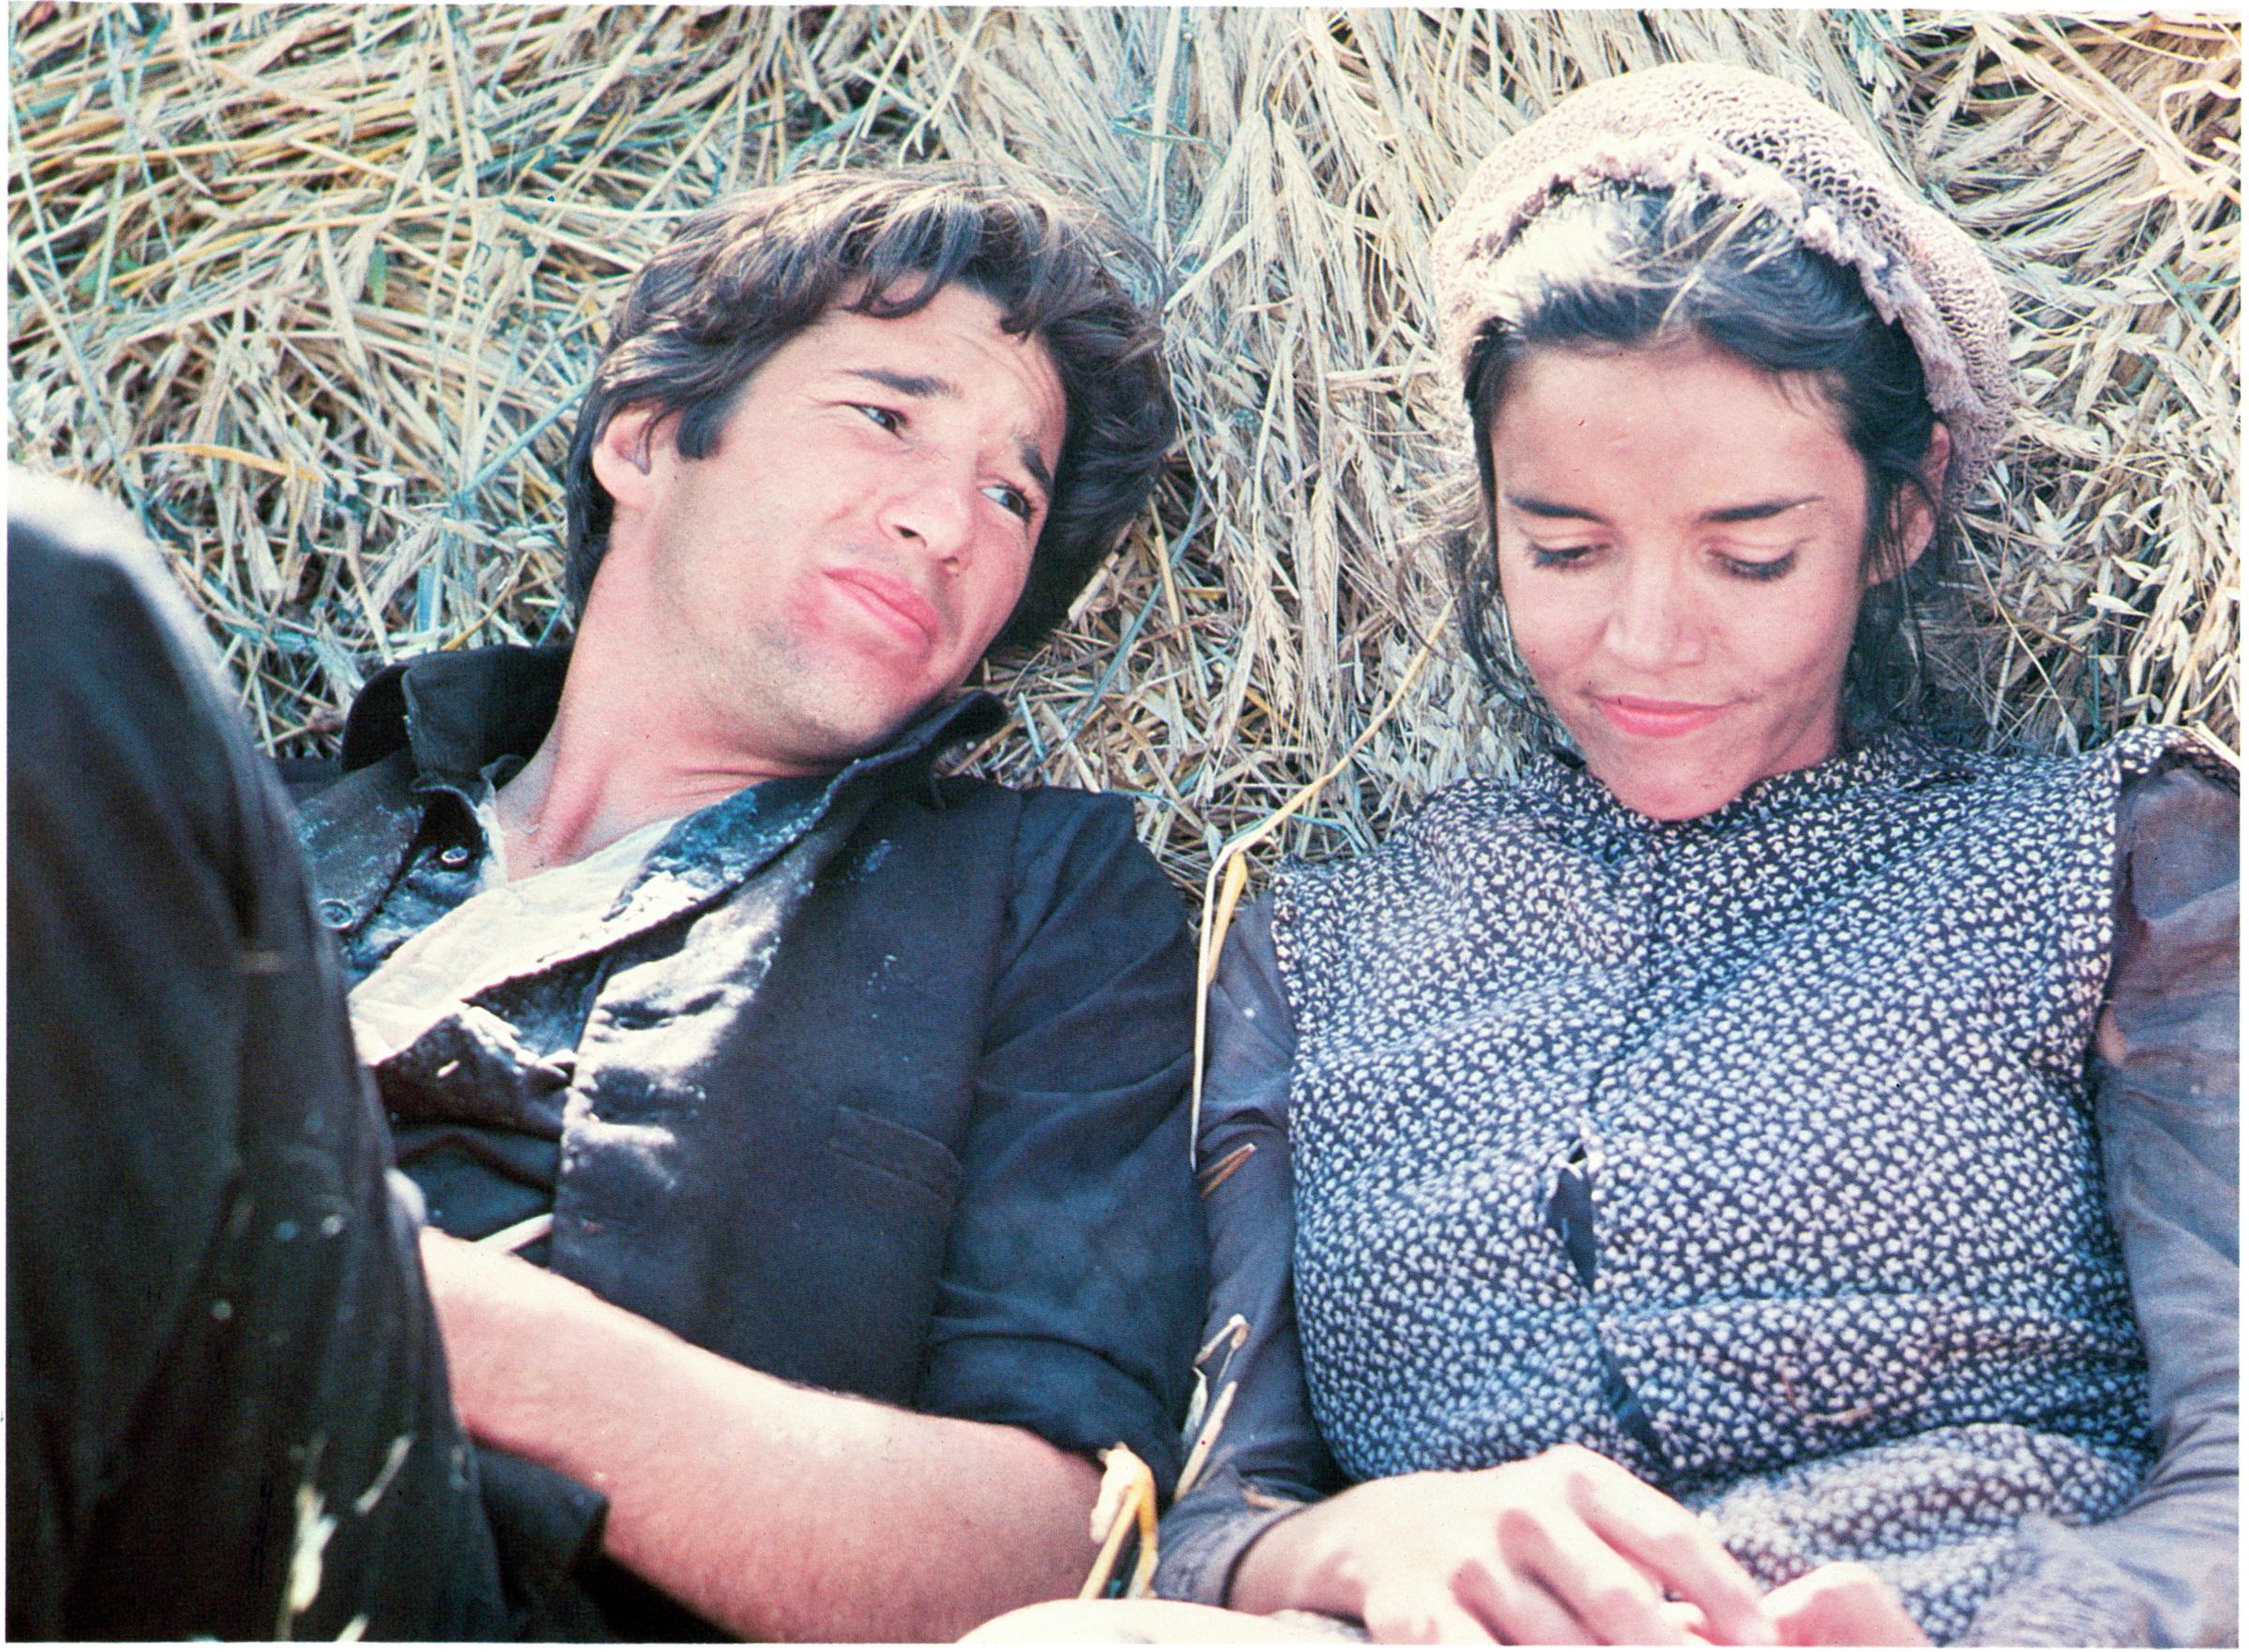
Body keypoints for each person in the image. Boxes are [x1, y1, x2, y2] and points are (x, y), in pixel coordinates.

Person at [982, 63, 2237, 1646]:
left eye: (1751, 551)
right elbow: (1215, 1518)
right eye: (1563, 547)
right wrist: (1379, 1542)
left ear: (1893, 525)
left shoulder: (2111, 858)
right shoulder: (1320, 949)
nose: (1646, 641)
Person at [8, 169, 1208, 1641]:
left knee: (43, 595)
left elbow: (1062, 1560)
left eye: (1011, 493)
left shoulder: (1045, 908)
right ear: (645, 440)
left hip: (435, 1572)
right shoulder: (247, 818)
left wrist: (351, 1273)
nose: (948, 523)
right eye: (888, 417)